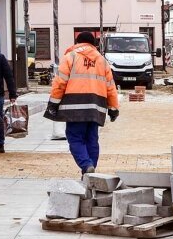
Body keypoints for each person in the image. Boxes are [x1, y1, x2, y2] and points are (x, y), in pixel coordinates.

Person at [44, 31, 119, 174]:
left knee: (75, 138)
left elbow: (60, 82)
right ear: (93, 44)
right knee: (92, 140)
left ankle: (86, 165)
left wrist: (53, 103)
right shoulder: (102, 61)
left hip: (74, 107)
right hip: (96, 107)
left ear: (77, 42)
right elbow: (110, 86)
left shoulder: (70, 57)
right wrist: (114, 108)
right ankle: (90, 172)